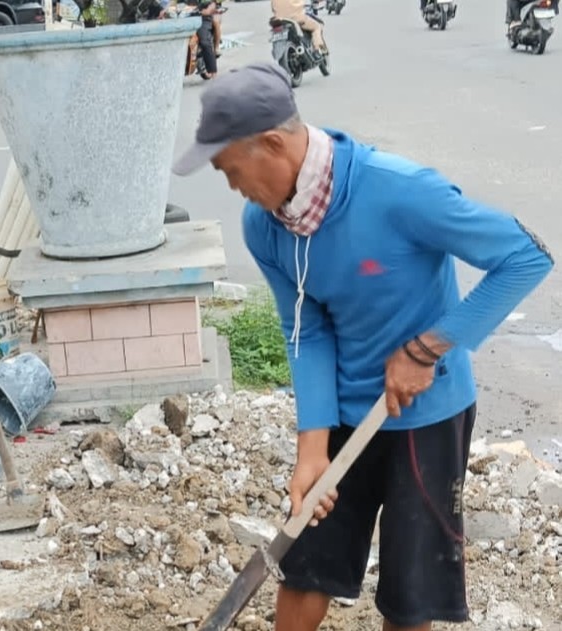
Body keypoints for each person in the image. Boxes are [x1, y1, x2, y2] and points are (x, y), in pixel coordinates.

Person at [172, 62, 554, 631]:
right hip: (345, 415)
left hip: (426, 415)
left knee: (409, 593)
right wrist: (311, 450)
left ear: (273, 144)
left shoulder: (399, 192)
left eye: (231, 171)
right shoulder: (266, 227)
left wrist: (428, 348)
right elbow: (306, 330)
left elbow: (526, 257)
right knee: (305, 563)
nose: (233, 189)